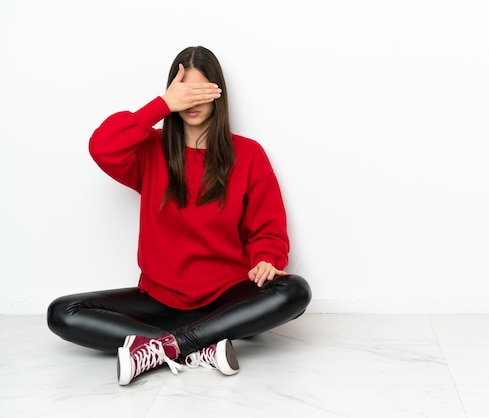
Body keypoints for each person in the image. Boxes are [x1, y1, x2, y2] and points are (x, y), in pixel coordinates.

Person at [47, 46, 312, 386]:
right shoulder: (150, 150)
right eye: (184, 92)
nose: (193, 101)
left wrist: (266, 259)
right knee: (63, 312)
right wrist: (160, 106)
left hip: (227, 298)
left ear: (218, 94)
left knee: (296, 290)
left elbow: (268, 229)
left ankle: (165, 346)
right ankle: (202, 345)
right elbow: (102, 146)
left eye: (201, 91)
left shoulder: (248, 154)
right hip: (160, 300)